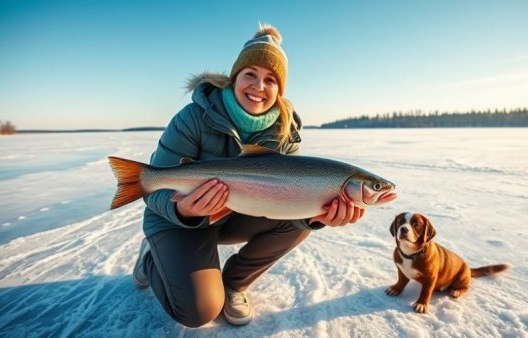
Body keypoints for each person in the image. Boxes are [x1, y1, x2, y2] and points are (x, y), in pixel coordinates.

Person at [132, 24, 365, 328]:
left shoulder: (285, 130)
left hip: (233, 214)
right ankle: (153, 257)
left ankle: (233, 283)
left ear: (279, 90)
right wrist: (182, 208)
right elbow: (153, 189)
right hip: (179, 221)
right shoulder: (193, 117)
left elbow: (293, 199)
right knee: (197, 311)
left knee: (302, 220)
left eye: (271, 79)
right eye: (250, 74)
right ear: (235, 77)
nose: (259, 86)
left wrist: (318, 215)